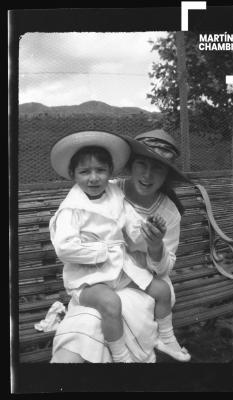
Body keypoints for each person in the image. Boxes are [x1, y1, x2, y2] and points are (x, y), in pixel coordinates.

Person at [49, 130, 189, 363]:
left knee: (153, 294)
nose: (147, 174)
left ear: (167, 175)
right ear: (130, 166)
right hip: (95, 277)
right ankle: (117, 359)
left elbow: (136, 231)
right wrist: (106, 250)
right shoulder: (99, 191)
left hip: (131, 274)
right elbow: (67, 244)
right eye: (141, 164)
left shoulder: (165, 211)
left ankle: (166, 339)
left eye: (158, 168)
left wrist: (153, 244)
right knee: (100, 311)